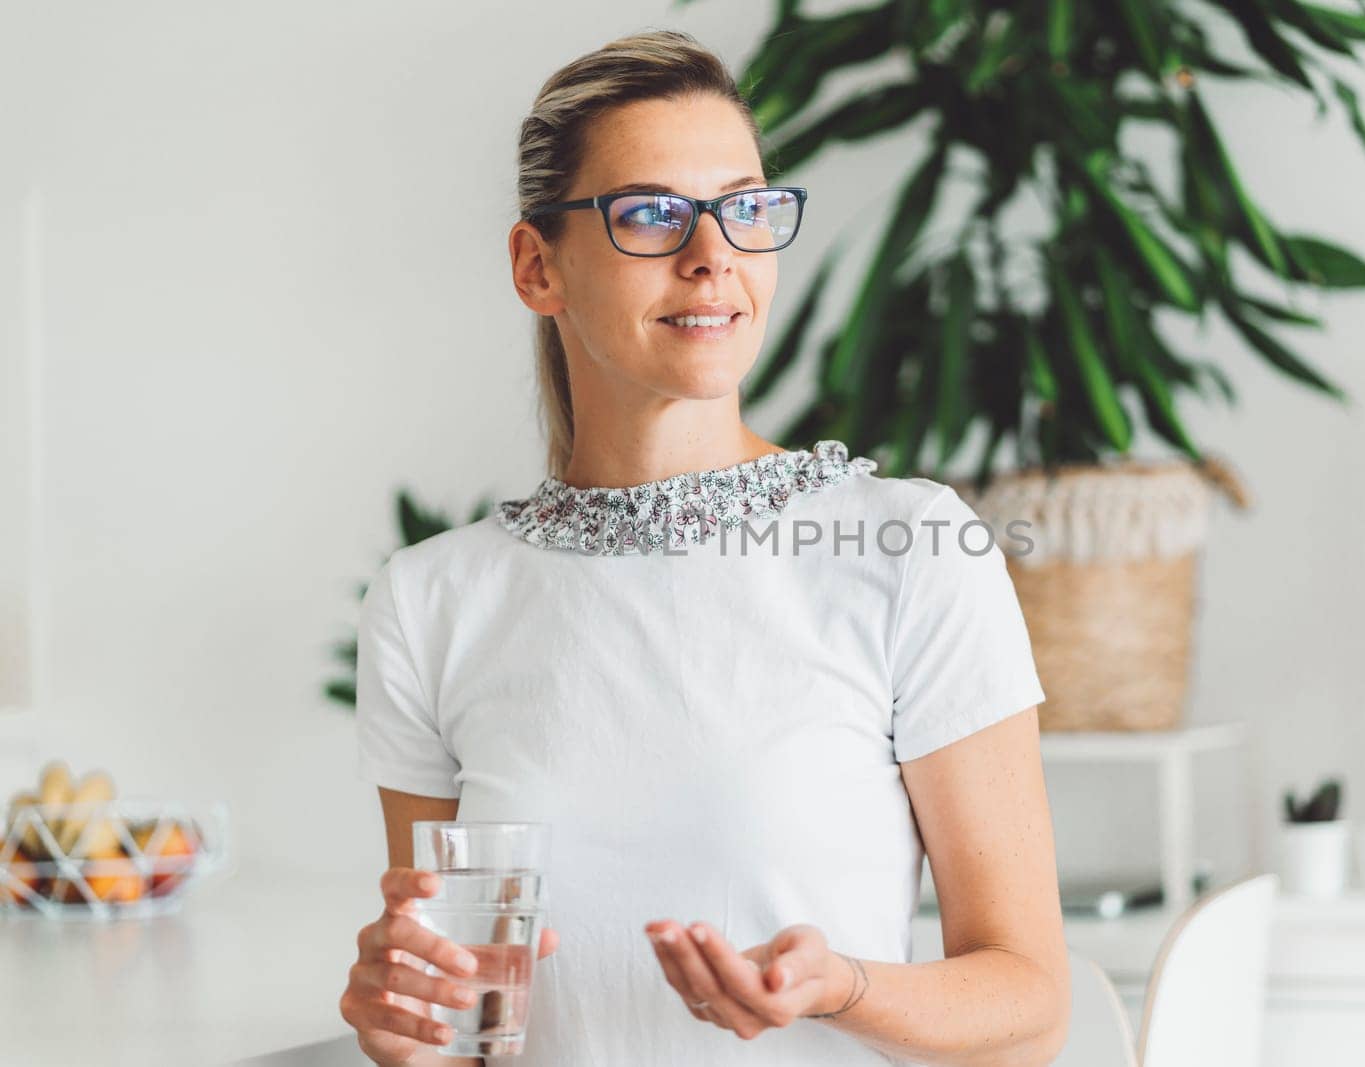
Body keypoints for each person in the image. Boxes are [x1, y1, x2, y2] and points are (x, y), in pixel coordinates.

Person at [339, 28, 1070, 1067]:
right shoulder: (429, 601)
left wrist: (843, 987)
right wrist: (404, 1029)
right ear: (537, 267)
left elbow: (1032, 1009)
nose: (713, 254)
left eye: (746, 209)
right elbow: (461, 1028)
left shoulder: (912, 548)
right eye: (650, 213)